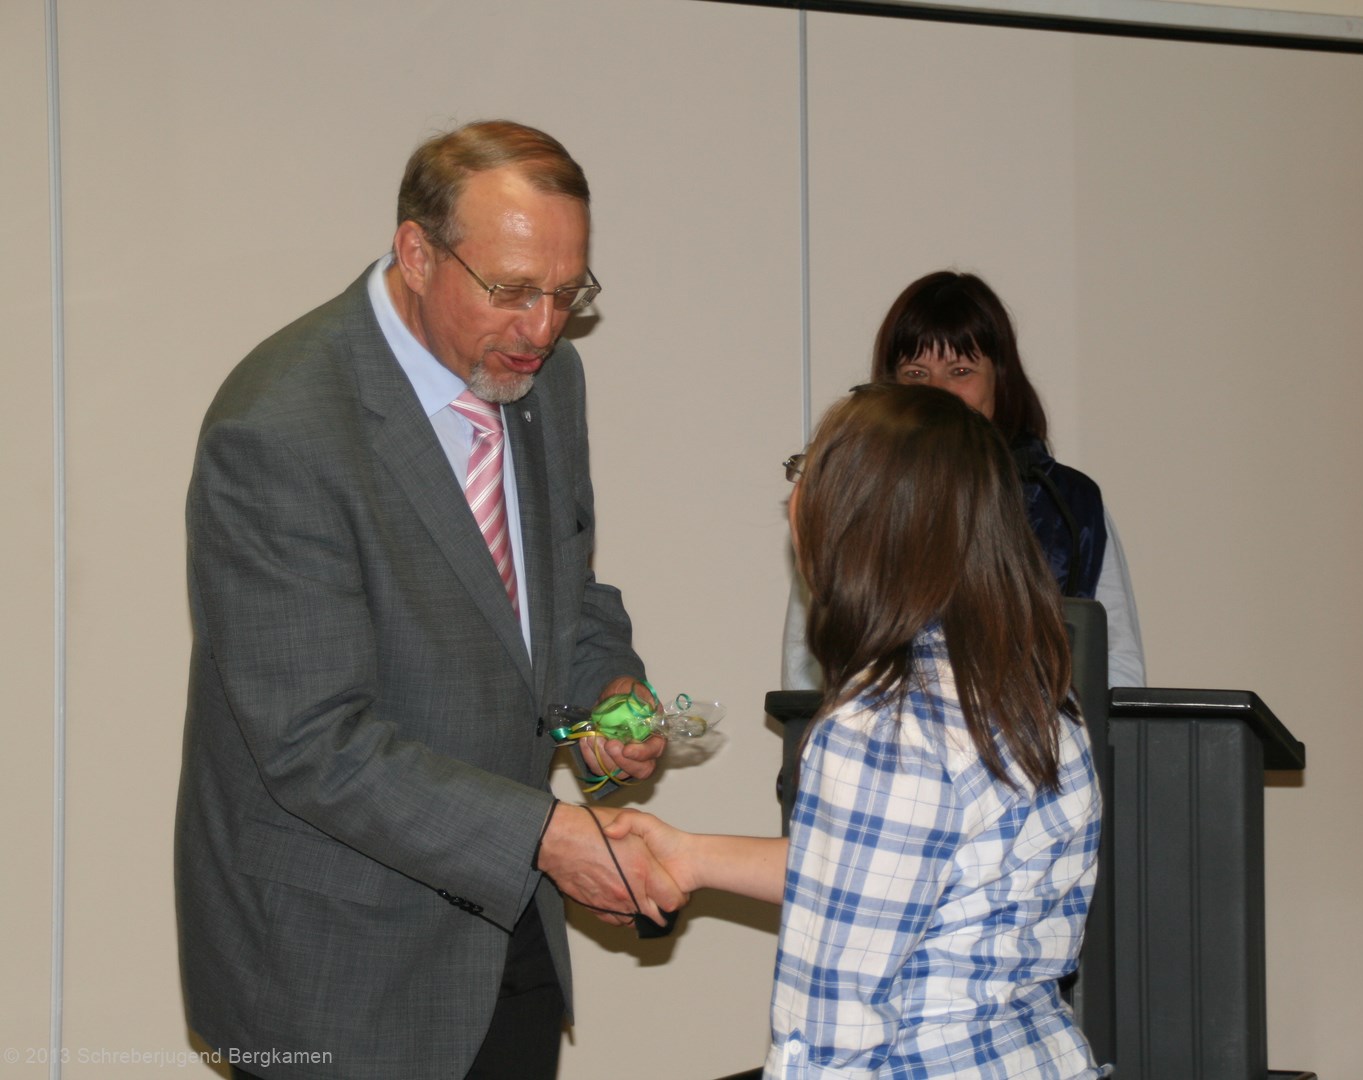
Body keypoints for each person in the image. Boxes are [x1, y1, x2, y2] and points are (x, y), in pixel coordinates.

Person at [174, 120, 684, 1080]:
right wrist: (549, 836)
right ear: (417, 253)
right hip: (338, 964)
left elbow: (560, 593)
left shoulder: (546, 382)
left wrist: (609, 694)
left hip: (506, 931)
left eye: (567, 294)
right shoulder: (280, 428)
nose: (543, 329)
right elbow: (313, 743)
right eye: (513, 290)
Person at [611, 384, 1103, 1078]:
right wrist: (691, 857)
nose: (794, 498)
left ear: (861, 522)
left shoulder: (882, 731)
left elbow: (828, 1034)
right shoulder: (1032, 694)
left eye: (809, 471)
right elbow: (896, 876)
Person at [782, 270, 1144, 692]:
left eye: (960, 370)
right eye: (916, 373)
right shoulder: (854, 497)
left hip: (1035, 731)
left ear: (1000, 378)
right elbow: (806, 664)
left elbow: (1117, 665)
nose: (938, 392)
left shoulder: (1069, 505)